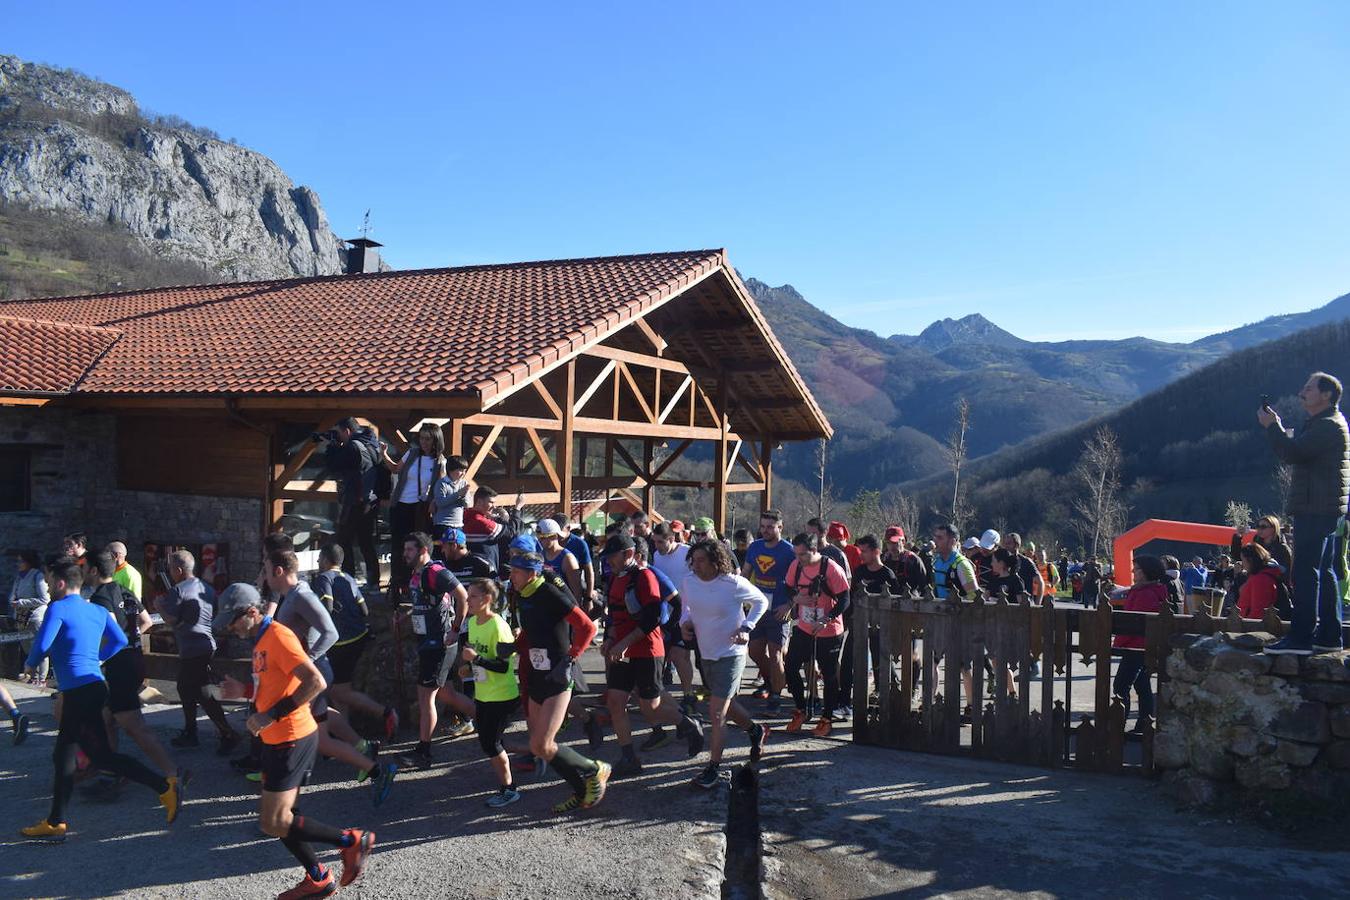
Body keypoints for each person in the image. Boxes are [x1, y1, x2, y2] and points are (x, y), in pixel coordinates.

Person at [213, 586, 376, 899]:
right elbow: (273, 685)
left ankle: (353, 841)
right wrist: (246, 692)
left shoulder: (278, 636)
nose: (230, 628)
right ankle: (318, 876)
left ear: (251, 612)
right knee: (279, 820)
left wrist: (270, 715)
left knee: (275, 820)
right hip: (277, 740)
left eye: (233, 621)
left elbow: (316, 682)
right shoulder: (261, 641)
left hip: (292, 738)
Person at [20, 557, 181, 842]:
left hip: (78, 691)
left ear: (59, 583)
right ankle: (56, 821)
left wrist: (31, 665)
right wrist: (96, 659)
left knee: (97, 755)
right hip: (92, 686)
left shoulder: (57, 608)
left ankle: (162, 788)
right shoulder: (95, 610)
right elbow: (120, 640)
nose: (46, 585)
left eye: (47, 580)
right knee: (65, 755)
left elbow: (42, 645)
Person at [271, 551, 397, 805]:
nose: (262, 573)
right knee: (324, 715)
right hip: (314, 671)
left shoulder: (304, 593)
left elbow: (330, 631)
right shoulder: (295, 595)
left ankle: (376, 769)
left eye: (264, 566)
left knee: (319, 740)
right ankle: (365, 749)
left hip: (312, 673)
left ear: (279, 571)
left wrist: (308, 657)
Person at [508, 551, 610, 812]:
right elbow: (532, 631)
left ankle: (595, 768)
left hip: (558, 674)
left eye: (516, 571)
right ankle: (580, 789)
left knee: (543, 743)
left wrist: (570, 659)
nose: (512, 576)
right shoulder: (522, 594)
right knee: (537, 745)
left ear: (532, 573)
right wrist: (512, 647)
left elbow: (588, 627)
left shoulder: (549, 594)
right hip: (537, 673)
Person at [601, 534, 705, 776]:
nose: (609, 562)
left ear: (628, 554)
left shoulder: (645, 577)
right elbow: (614, 616)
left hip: (647, 651)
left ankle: (687, 724)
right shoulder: (615, 579)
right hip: (622, 652)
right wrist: (609, 639)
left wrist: (623, 643)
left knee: (651, 708)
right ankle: (628, 758)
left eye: (612, 557)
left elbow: (652, 618)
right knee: (615, 701)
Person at [1262, 373, 1350, 655]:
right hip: (1324, 507)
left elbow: (1292, 453)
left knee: (1307, 571)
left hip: (1315, 506)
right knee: (1323, 572)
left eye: (1308, 388)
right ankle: (1327, 635)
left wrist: (1272, 427)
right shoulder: (1328, 423)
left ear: (1325, 395)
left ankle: (1301, 636)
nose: (1302, 392)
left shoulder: (1326, 426)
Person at [83, 552, 179, 802]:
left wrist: (98, 655)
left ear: (94, 570)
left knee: (134, 725)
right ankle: (111, 771)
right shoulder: (125, 591)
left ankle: (173, 776)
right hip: (133, 659)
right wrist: (132, 641)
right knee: (106, 719)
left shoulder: (100, 598)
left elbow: (110, 629)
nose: (82, 571)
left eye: (85, 567)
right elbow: (146, 621)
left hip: (121, 665)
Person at [679, 538, 770, 788]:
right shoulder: (689, 582)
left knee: (716, 711)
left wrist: (747, 627)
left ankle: (713, 767)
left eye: (700, 561)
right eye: (693, 560)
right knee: (724, 705)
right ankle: (755, 730)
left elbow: (761, 601)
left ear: (715, 561)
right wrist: (684, 623)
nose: (695, 565)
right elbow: (686, 608)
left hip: (731, 653)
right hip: (705, 652)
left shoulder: (732, 584)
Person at [312, 545, 400, 744]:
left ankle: (386, 713)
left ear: (326, 560)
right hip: (358, 637)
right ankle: (345, 736)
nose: (317, 562)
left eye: (319, 558)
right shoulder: (350, 578)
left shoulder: (324, 578)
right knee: (340, 691)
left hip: (341, 641)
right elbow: (364, 609)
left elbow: (327, 606)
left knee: (337, 691)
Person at [158, 550, 239, 753]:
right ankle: (192, 731)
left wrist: (159, 607)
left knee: (201, 693)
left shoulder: (178, 590)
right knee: (187, 688)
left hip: (192, 647)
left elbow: (172, 619)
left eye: (171, 569)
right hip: (205, 644)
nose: (170, 572)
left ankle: (227, 734)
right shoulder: (206, 587)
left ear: (178, 570)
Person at [401, 532, 469, 768]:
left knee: (425, 697)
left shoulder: (436, 572)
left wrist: (456, 629)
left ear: (423, 551)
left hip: (438, 644)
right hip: (428, 642)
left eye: (409, 550)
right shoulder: (418, 573)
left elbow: (462, 596)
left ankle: (424, 752)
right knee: (446, 694)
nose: (404, 554)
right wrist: (405, 616)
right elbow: (425, 603)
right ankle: (489, 720)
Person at [458, 579, 522, 807]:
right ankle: (534, 753)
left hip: (502, 696)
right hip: (484, 695)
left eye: (472, 596)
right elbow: (483, 660)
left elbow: (503, 666)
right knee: (490, 741)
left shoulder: (499, 626)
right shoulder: (474, 622)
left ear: (486, 599)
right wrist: (469, 667)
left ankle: (509, 789)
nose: (467, 600)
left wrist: (475, 659)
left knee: (490, 744)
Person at [781, 532, 850, 736]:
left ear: (814, 550)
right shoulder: (796, 566)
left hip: (828, 631)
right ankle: (801, 710)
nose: (798, 558)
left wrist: (827, 618)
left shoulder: (831, 568)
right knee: (791, 666)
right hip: (804, 627)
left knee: (829, 676)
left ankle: (826, 718)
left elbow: (845, 599)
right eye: (796, 554)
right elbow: (787, 587)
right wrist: (796, 599)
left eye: (802, 554)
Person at [742, 509, 797, 712]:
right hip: (758, 610)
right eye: (762, 526)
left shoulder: (790, 551)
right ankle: (771, 681)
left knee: (776, 655)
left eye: (770, 527)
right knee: (755, 651)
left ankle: (776, 696)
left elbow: (800, 581)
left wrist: (790, 605)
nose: (765, 530)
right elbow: (746, 574)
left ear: (780, 527)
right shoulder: (754, 547)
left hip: (780, 610)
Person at [321, 417, 383, 590]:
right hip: (370, 501)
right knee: (366, 542)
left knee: (343, 541)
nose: (339, 436)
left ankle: (348, 579)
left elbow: (333, 465)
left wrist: (332, 445)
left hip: (355, 501)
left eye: (339, 433)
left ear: (347, 431)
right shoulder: (371, 444)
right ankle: (373, 582)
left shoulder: (353, 447)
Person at [385, 423, 447, 592]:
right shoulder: (412, 454)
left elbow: (440, 485)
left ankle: (416, 581)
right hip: (400, 505)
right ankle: (398, 583)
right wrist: (383, 454)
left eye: (428, 439)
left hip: (420, 508)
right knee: (398, 546)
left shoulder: (440, 461)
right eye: (421, 438)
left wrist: (433, 501)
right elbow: (396, 469)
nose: (424, 442)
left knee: (416, 545)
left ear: (436, 440)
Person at [844, 534, 903, 709]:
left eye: (864, 551)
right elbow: (852, 597)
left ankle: (890, 695)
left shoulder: (888, 575)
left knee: (882, 661)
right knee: (848, 661)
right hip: (858, 624)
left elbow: (895, 602)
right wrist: (848, 618)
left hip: (880, 627)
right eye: (860, 550)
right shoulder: (860, 571)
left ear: (876, 551)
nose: (860, 554)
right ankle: (845, 700)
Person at [1113, 555, 1168, 732]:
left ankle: (1119, 724)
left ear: (1145, 573)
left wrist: (1119, 642)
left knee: (1121, 685)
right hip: (1142, 646)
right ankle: (1144, 723)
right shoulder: (1146, 591)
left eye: (1136, 569)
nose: (1133, 572)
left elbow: (1133, 623)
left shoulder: (1145, 594)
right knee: (1142, 685)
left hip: (1136, 646)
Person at [650, 523, 697, 712]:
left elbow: (698, 578)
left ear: (672, 539)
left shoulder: (687, 553)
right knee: (661, 655)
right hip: (663, 613)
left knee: (680, 656)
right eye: (654, 542)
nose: (657, 546)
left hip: (685, 612)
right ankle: (658, 696)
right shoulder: (656, 555)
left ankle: (688, 695)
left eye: (660, 542)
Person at [463, 485, 525, 575]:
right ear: (479, 502)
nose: (494, 507)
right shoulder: (482, 522)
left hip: (471, 571)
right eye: (491, 502)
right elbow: (512, 533)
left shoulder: (466, 515)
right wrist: (518, 508)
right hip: (485, 574)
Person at [9, 548, 50, 685]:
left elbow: (45, 598)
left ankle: (41, 678)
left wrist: (21, 603)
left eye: (21, 561)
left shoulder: (37, 576)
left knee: (38, 647)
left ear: (29, 562)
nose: (18, 563)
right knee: (27, 648)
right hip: (22, 618)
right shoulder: (19, 576)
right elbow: (15, 593)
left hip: (35, 617)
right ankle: (32, 676)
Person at [537, 518, 584, 603]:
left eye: (543, 537)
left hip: (564, 607)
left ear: (554, 536)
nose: (540, 540)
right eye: (539, 537)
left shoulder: (567, 558)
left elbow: (576, 591)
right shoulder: (541, 555)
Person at [1237, 543, 1287, 620]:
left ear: (1250, 560)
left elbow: (1258, 614)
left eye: (1243, 560)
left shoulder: (1261, 579)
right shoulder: (1261, 576)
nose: (1242, 564)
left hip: (1251, 627)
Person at [430, 456, 471, 548]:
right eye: (460, 470)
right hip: (443, 525)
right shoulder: (441, 483)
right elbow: (440, 502)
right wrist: (458, 494)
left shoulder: (463, 483)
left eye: (465, 470)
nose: (463, 474)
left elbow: (468, 504)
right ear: (451, 469)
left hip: (458, 525)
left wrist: (463, 496)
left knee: (458, 551)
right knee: (441, 551)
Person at [931, 525, 979, 601]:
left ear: (952, 542)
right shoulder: (936, 561)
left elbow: (974, 596)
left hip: (955, 611)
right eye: (935, 537)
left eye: (940, 538)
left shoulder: (962, 564)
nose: (934, 541)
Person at [999, 533, 1045, 602]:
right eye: (1005, 543)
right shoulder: (1002, 562)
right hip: (1007, 605)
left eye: (1009, 543)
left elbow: (1040, 583)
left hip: (1024, 605)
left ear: (1017, 545)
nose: (1006, 546)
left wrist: (1037, 604)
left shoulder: (1026, 562)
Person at [808, 517, 851, 582]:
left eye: (813, 533)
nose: (809, 536)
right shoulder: (805, 554)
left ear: (824, 533)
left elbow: (847, 580)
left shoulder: (837, 554)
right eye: (808, 533)